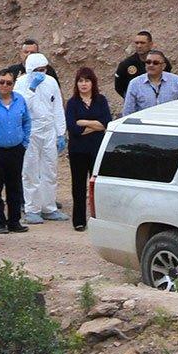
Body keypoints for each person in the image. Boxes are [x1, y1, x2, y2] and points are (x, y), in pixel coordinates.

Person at [13, 52, 68, 223]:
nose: (40, 73)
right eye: (37, 70)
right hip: (31, 131)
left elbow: (58, 107)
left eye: (43, 69)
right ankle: (32, 209)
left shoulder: (51, 82)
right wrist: (32, 89)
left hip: (49, 130)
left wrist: (61, 133)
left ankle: (49, 207)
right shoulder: (21, 83)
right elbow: (20, 107)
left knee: (50, 170)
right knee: (30, 171)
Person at [0, 68, 33, 234]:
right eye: (1, 82)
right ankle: (0, 222)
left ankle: (14, 221)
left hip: (16, 150)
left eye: (9, 83)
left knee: (15, 186)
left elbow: (27, 121)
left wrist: (25, 142)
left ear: (13, 85)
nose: (5, 85)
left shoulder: (20, 100)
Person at [65, 66, 112, 231]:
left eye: (87, 80)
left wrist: (84, 122)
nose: (84, 84)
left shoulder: (101, 100)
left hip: (97, 149)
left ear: (93, 82)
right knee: (78, 186)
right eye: (80, 81)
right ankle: (79, 221)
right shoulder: (72, 103)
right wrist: (95, 124)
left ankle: (99, 220)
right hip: (78, 151)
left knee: (98, 186)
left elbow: (106, 122)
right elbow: (73, 128)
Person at [122, 50, 178, 115]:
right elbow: (127, 112)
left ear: (163, 66)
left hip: (170, 122)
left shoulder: (176, 81)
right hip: (145, 123)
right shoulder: (135, 84)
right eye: (148, 62)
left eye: (155, 63)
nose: (151, 65)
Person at [112, 30, 172, 99]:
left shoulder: (160, 61)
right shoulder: (126, 64)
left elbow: (167, 79)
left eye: (142, 43)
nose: (139, 46)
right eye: (137, 43)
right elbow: (119, 87)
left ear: (150, 44)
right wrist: (131, 99)